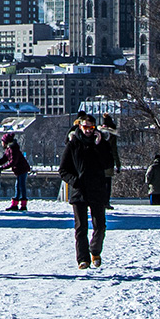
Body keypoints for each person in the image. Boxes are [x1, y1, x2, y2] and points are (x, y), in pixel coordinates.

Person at [59, 113, 114, 270]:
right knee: (81, 227)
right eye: (85, 127)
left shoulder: (101, 143)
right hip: (79, 191)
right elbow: (63, 170)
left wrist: (100, 145)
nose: (88, 131)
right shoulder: (73, 144)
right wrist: (74, 181)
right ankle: (83, 259)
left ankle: (95, 251)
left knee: (100, 225)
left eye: (91, 128)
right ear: (80, 126)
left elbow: (108, 163)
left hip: (97, 189)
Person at [0, 131, 31, 211]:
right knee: (18, 186)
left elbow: (13, 162)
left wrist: (2, 167)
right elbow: (4, 159)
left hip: (22, 169)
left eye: (2, 141)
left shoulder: (13, 149)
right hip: (19, 170)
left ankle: (22, 205)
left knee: (21, 186)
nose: (1, 143)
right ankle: (16, 204)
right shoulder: (9, 149)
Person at [99, 113, 121, 210]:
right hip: (109, 163)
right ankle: (106, 202)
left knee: (100, 183)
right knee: (108, 184)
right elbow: (115, 151)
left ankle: (99, 201)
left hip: (99, 163)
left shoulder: (99, 134)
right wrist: (118, 164)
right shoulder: (112, 136)